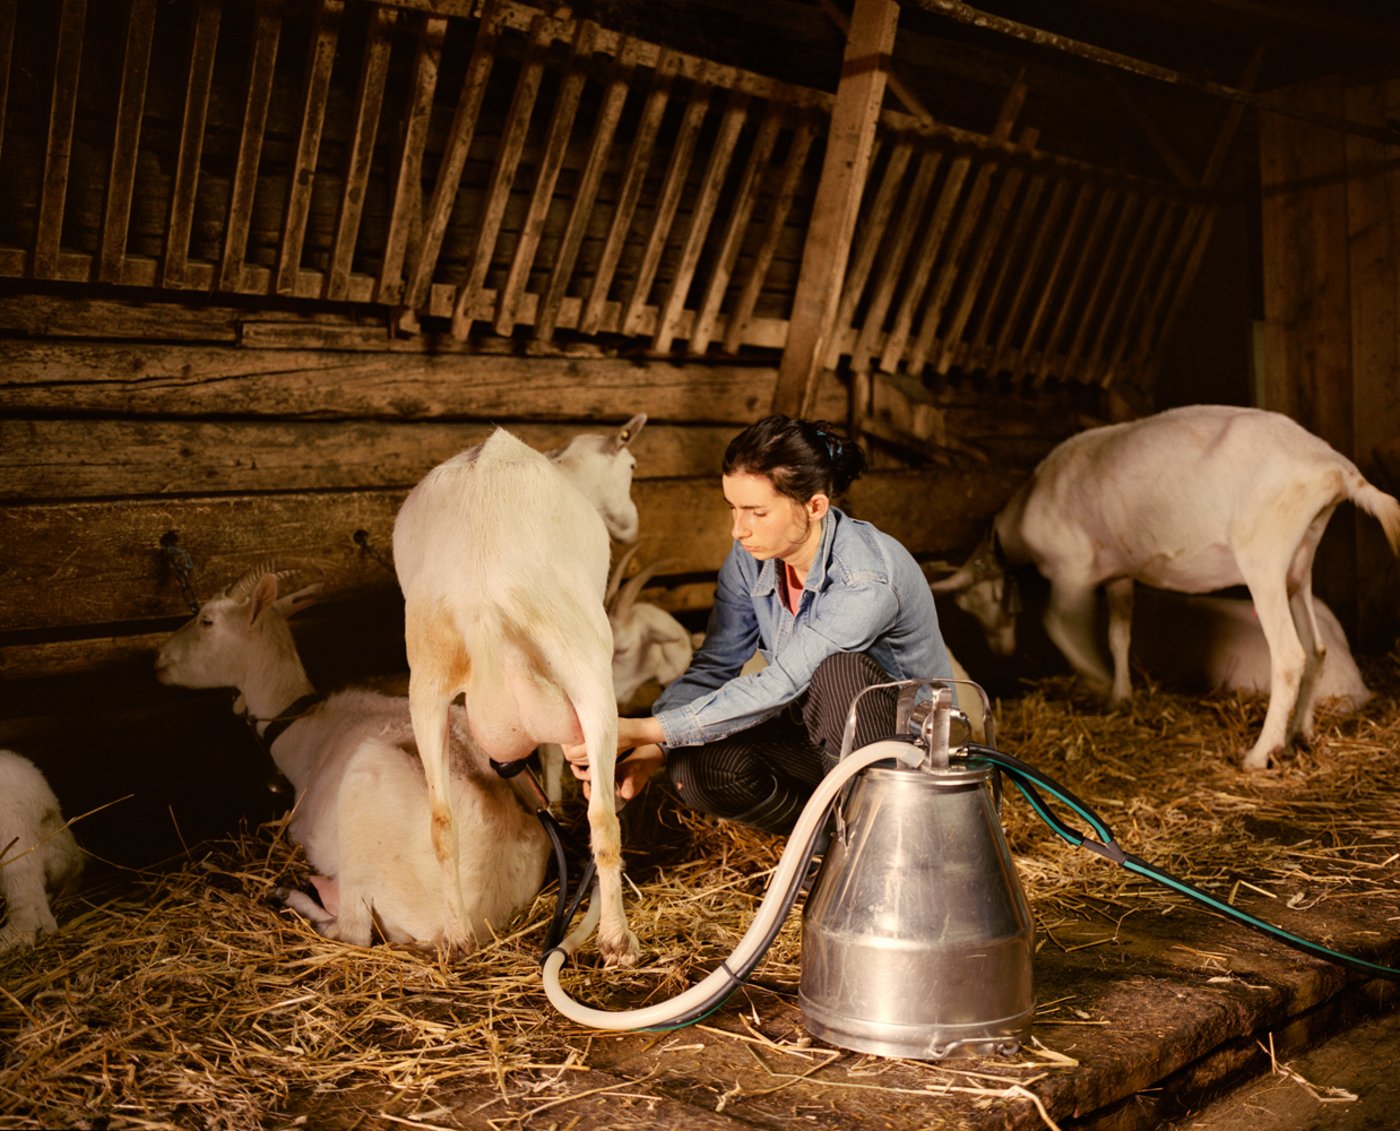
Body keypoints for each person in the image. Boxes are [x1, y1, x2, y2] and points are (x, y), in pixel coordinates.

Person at [565, 414, 953, 834]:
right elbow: (714, 664)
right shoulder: (752, 559)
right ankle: (829, 846)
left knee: (838, 672)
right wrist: (655, 747)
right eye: (733, 508)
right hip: (817, 737)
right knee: (693, 766)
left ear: (815, 506)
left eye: (757, 512)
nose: (738, 530)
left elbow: (781, 683)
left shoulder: (865, 580)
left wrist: (640, 728)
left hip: (909, 756)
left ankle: (887, 838)